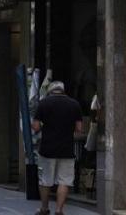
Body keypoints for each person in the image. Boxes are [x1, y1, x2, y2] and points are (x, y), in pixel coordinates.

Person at [31, 81, 84, 215]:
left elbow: (36, 126)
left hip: (47, 149)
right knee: (64, 181)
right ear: (63, 90)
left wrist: (44, 125)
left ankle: (44, 208)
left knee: (45, 180)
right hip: (66, 149)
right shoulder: (74, 104)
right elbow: (79, 129)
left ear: (50, 91)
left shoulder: (44, 103)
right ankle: (59, 210)